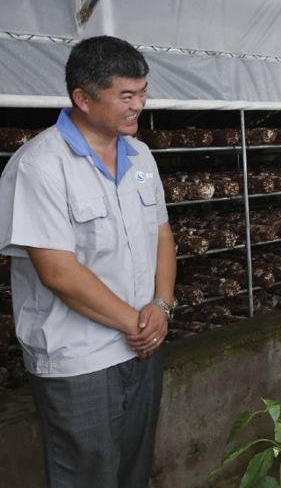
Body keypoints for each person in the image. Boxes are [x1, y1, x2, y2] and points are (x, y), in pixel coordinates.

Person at [0, 36, 176, 488]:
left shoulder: (140, 156)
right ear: (83, 98)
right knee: (88, 475)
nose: (139, 105)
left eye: (143, 92)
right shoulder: (40, 165)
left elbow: (161, 235)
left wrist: (162, 305)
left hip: (142, 345)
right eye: (126, 95)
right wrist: (137, 323)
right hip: (79, 358)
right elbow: (58, 271)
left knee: (135, 469)